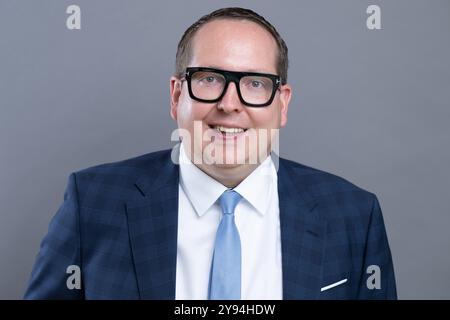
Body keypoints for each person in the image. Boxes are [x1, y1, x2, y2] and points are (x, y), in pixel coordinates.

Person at [24, 7, 397, 300]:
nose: (229, 104)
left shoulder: (353, 216)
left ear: (281, 105)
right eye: (209, 79)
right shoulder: (92, 204)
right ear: (176, 97)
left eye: (254, 83)